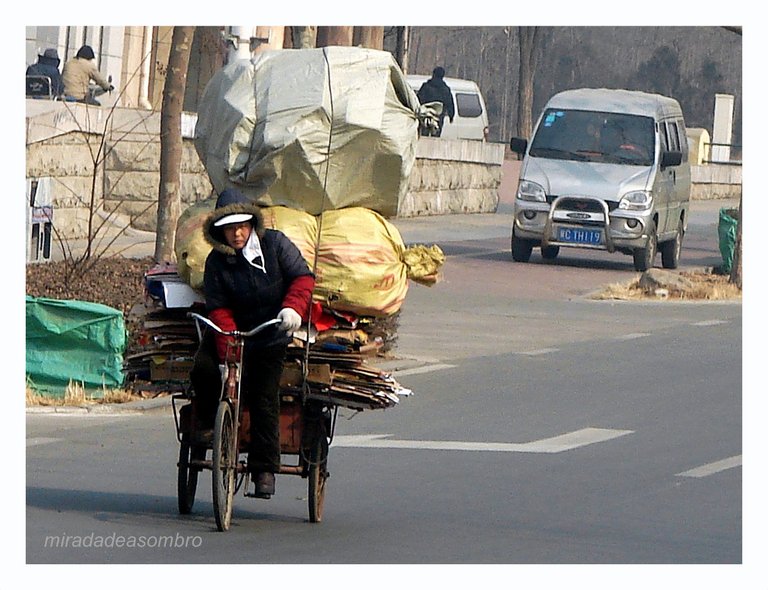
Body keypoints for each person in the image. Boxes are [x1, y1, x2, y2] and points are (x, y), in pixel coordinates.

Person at [190, 188, 315, 498]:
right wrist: (226, 353)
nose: (237, 233)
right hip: (233, 331)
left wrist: (292, 308)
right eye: (230, 228)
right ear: (220, 231)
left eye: (242, 225)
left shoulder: (275, 245)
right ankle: (208, 427)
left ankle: (264, 471)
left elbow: (302, 277)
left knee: (263, 396)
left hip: (271, 333)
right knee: (202, 370)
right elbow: (217, 308)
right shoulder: (216, 263)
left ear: (251, 224)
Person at [416, 66, 455, 137]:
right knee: (436, 134)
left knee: (423, 134)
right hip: (438, 115)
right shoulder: (445, 89)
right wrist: (451, 115)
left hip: (426, 113)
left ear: (433, 74)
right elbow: (450, 103)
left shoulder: (426, 86)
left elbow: (418, 99)